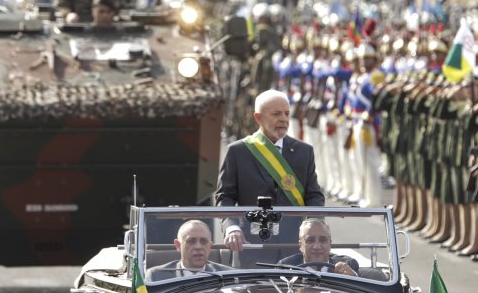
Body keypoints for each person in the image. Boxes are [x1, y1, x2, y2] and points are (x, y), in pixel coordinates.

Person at [216, 89, 326, 252]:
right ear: (258, 118)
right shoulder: (238, 151)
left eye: (287, 114)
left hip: (294, 245)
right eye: (276, 114)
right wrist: (231, 228)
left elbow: (314, 195)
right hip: (250, 244)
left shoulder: (304, 151)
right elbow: (225, 196)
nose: (283, 119)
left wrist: (314, 225)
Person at [146, 220, 231, 281]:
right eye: (191, 241)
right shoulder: (156, 276)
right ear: (178, 245)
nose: (198, 247)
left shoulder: (228, 275)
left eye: (203, 241)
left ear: (210, 246)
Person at [278, 218, 359, 275]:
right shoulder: (285, 267)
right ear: (301, 245)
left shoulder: (347, 265)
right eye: (310, 240)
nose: (317, 246)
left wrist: (352, 276)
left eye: (323, 240)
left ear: (330, 244)